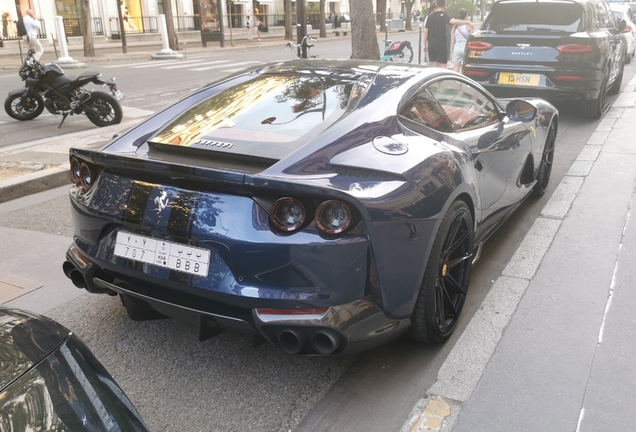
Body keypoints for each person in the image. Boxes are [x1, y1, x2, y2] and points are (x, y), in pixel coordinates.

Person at [423, 0, 472, 68]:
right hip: (441, 44)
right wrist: (467, 22)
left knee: (434, 65)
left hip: (431, 45)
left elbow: (425, 31)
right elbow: (453, 21)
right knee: (443, 65)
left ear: (436, 4)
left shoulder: (429, 17)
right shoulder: (444, 15)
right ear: (444, 5)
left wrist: (424, 44)